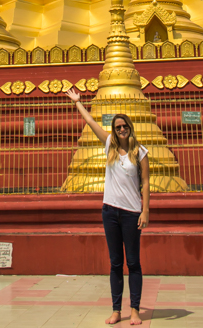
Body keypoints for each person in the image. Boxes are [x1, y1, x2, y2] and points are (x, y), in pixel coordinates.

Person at [66, 87, 150, 326]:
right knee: (115, 262)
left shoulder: (140, 152)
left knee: (133, 262)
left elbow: (145, 183)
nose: (121, 130)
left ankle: (134, 310)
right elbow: (91, 122)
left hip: (132, 212)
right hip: (110, 211)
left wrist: (145, 211)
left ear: (130, 127)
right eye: (117, 127)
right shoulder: (110, 145)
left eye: (124, 126)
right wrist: (78, 102)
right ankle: (116, 310)